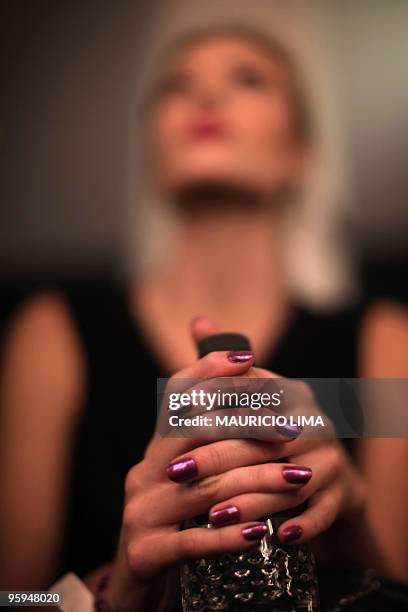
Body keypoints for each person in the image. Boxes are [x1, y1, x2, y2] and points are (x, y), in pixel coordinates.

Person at [1, 26, 408, 611]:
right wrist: (111, 592)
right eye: (175, 86)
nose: (205, 98)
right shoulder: (53, 330)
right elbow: (11, 599)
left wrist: (349, 517)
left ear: (303, 152)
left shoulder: (382, 337)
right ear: (149, 148)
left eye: (248, 78)